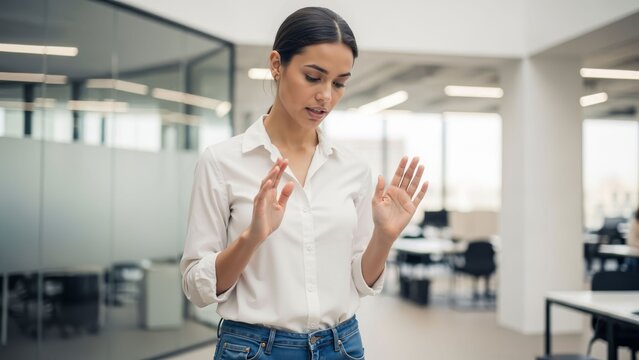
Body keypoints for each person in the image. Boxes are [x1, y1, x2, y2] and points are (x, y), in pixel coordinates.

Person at [180, 7, 428, 359]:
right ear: (277, 65)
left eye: (339, 83)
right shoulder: (222, 162)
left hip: (341, 346)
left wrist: (384, 238)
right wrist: (252, 238)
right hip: (254, 349)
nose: (326, 96)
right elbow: (196, 287)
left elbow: (360, 279)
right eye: (314, 77)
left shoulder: (353, 169)